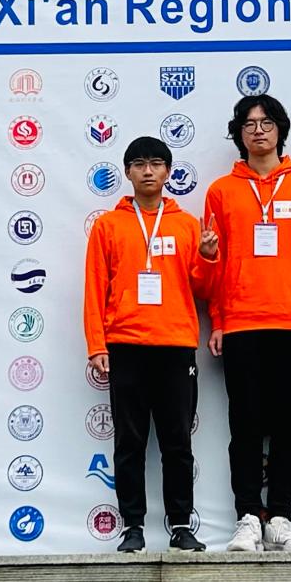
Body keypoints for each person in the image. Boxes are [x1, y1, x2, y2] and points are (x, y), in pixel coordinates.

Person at [204, 94, 291, 552]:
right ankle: (248, 517)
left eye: (266, 122)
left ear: (281, 129)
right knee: (244, 426)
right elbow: (214, 263)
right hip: (242, 321)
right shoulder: (221, 192)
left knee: (288, 427)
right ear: (239, 134)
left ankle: (281, 517)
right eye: (249, 124)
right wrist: (218, 320)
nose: (258, 130)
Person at [83, 135, 220, 553]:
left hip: (176, 345)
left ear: (168, 172)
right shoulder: (108, 226)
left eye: (156, 164)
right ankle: (132, 526)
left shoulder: (187, 225)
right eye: (139, 164)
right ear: (127, 172)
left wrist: (208, 256)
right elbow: (94, 288)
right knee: (129, 442)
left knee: (178, 442)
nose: (148, 171)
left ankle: (180, 524)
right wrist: (97, 344)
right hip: (126, 345)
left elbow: (202, 289)